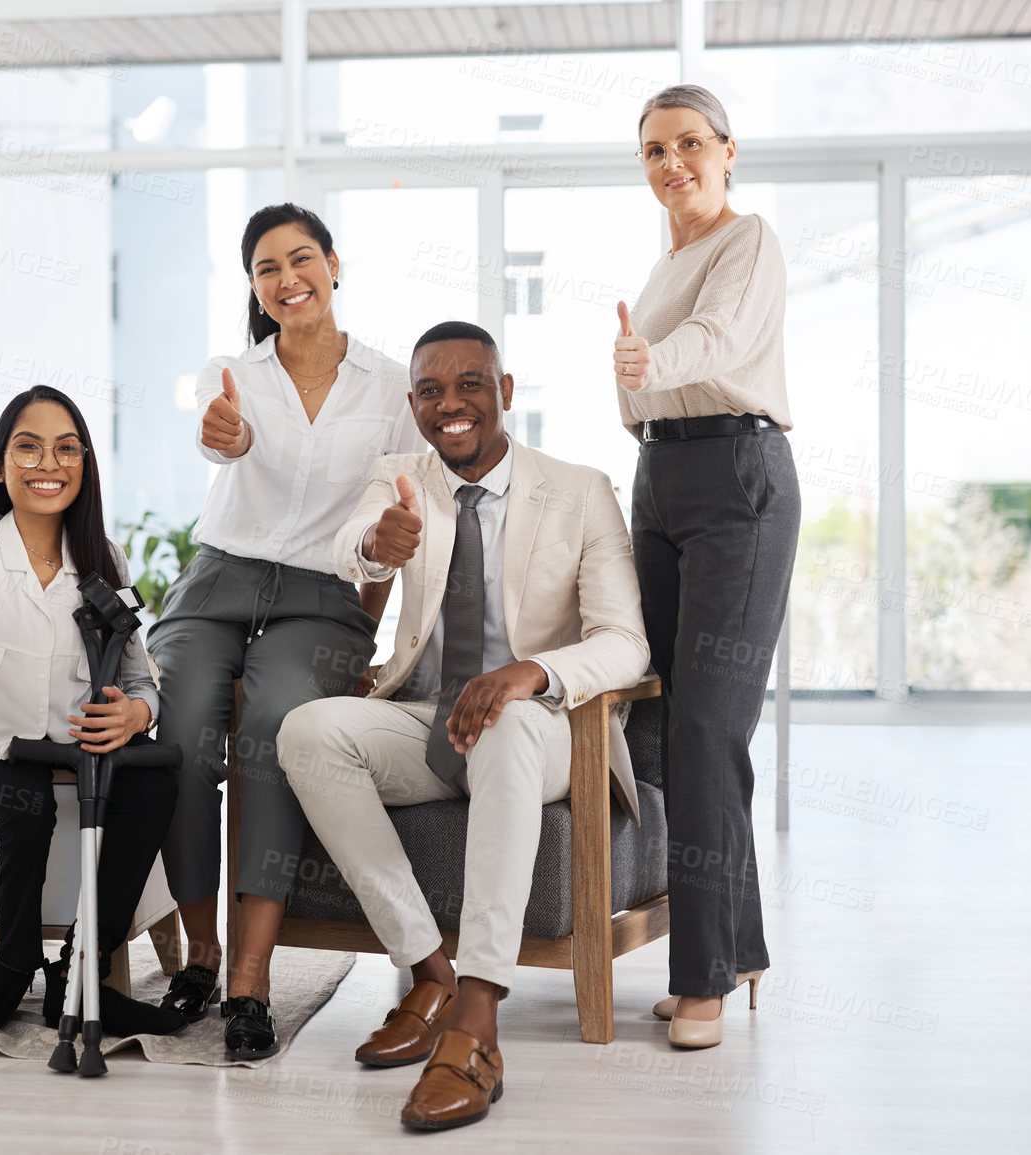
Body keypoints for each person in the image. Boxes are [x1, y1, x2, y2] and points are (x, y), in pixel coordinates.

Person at [277, 321, 650, 1130]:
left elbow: (625, 642)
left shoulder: (578, 488)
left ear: (504, 393)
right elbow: (358, 547)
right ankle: (427, 967)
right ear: (412, 405)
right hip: (430, 715)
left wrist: (532, 673)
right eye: (429, 391)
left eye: (469, 384)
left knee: (510, 722)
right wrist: (379, 544)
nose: (450, 405)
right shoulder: (400, 476)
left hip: (545, 730)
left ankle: (477, 1016)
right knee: (308, 730)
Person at [150, 203, 424, 1061]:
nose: (286, 278)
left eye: (300, 259)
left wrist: (364, 636)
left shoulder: (389, 386)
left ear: (334, 265)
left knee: (277, 732)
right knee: (182, 729)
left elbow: (393, 519)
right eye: (266, 268)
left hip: (322, 596)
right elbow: (219, 436)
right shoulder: (231, 373)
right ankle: (198, 953)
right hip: (217, 579)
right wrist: (222, 433)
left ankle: (250, 978)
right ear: (254, 287)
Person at [0, 385, 186, 1048]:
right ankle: (9, 967)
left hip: (70, 742)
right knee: (27, 808)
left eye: (65, 447)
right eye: (27, 446)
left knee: (155, 783)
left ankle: (81, 974)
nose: (46, 461)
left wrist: (137, 711)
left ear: (82, 466)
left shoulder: (103, 561)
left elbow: (141, 674)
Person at [611, 84, 800, 1049]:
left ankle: (703, 980)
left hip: (736, 479)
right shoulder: (662, 263)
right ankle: (739, 942)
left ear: (728, 150)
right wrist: (636, 380)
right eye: (652, 149)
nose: (671, 162)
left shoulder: (748, 238)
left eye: (688, 143)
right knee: (660, 717)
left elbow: (716, 341)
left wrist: (650, 361)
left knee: (708, 726)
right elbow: (641, 383)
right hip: (661, 476)